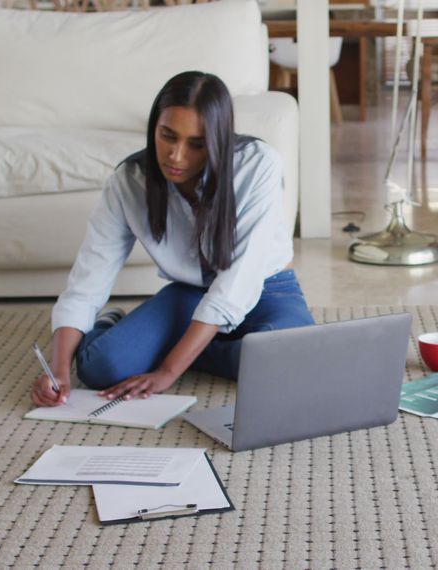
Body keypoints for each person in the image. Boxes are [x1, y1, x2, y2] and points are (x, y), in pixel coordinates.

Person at [30, 71, 313, 407]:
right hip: (189, 296)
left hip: (270, 290)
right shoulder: (128, 182)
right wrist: (60, 369)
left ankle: (190, 348)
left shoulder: (257, 164)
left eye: (196, 144)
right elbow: (87, 280)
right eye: (168, 136)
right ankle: (165, 337)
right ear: (154, 128)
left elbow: (238, 282)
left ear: (218, 140)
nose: (176, 156)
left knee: (288, 361)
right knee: (98, 367)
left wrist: (168, 369)